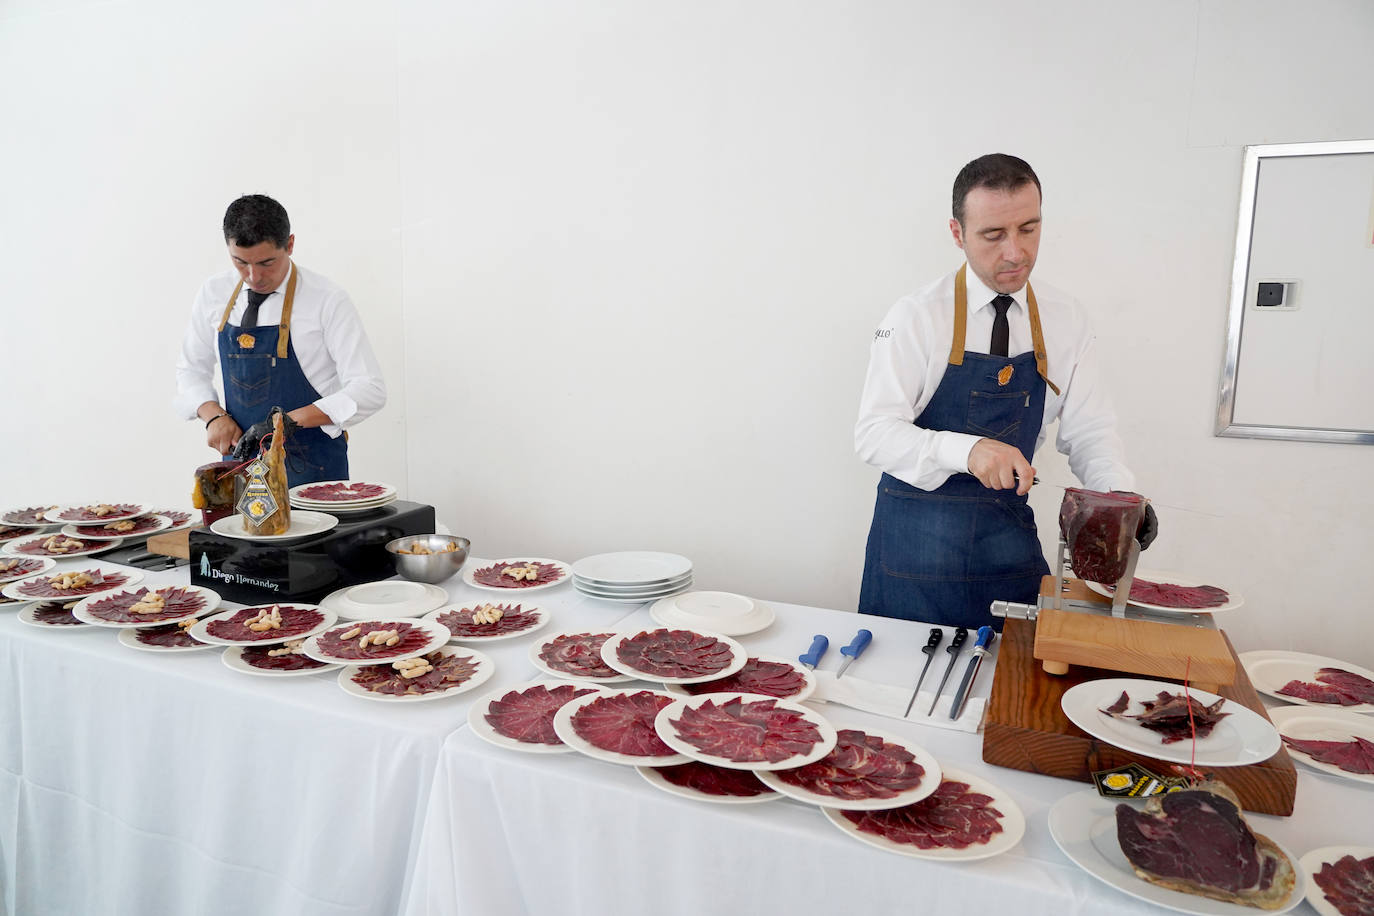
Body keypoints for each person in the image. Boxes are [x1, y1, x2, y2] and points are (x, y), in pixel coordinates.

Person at [855, 154, 1156, 629]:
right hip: (915, 556)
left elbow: (1090, 433)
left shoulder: (1067, 318)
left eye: (1029, 229)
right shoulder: (915, 316)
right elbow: (873, 433)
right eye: (993, 235)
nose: (1015, 252)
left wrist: (1120, 498)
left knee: (1021, 693)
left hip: (1007, 548)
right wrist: (968, 450)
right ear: (958, 234)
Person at [174, 194, 386, 486]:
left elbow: (370, 389)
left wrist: (287, 422)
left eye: (266, 263)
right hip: (241, 469)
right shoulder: (214, 292)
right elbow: (190, 369)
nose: (254, 277)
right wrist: (213, 416)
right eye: (240, 262)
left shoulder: (326, 299)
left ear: (290, 245)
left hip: (311, 471)